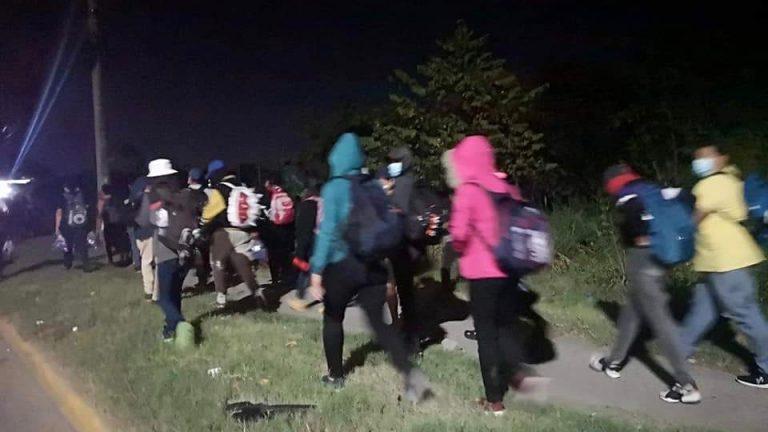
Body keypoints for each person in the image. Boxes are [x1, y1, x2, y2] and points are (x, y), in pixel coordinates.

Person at [308, 132, 431, 402]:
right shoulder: (373, 185)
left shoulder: (334, 188)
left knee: (333, 318)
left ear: (336, 159)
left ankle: (336, 376)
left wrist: (316, 271)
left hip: (341, 266)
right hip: (372, 264)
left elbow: (328, 231)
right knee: (380, 323)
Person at [590, 164, 701, 404]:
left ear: (613, 183)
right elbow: (689, 197)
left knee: (661, 323)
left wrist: (642, 239)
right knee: (632, 312)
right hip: (662, 259)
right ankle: (614, 361)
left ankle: (686, 384)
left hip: (644, 261)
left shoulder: (628, 196)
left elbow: (635, 225)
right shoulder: (652, 189)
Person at [446, 135, 529, 416]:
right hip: (509, 270)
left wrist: (460, 245)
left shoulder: (468, 191)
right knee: (506, 325)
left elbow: (457, 235)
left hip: (482, 274)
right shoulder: (508, 188)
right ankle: (519, 375)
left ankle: (494, 401)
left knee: (486, 335)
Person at [680, 144, 768, 388]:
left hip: (727, 261)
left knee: (746, 315)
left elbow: (694, 219)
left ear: (721, 158)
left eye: (706, 157)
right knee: (702, 311)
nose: (700, 161)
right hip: (718, 261)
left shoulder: (712, 184)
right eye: (697, 157)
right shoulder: (731, 178)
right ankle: (678, 352)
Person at [137, 159, 193, 341]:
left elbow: (145, 220)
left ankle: (180, 324)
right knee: (175, 292)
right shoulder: (182, 192)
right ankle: (170, 331)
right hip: (186, 248)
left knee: (163, 296)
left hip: (166, 248)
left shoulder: (154, 194)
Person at [200, 166, 262, 308]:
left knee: (218, 263)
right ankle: (257, 292)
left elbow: (209, 213)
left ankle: (221, 298)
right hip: (243, 232)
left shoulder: (219, 190)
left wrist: (202, 225)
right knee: (243, 264)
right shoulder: (243, 188)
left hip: (224, 233)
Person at [385, 147, 421, 352]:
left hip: (400, 246)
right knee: (404, 292)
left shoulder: (402, 185)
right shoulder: (412, 182)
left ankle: (410, 340)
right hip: (409, 247)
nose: (392, 164)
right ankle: (405, 331)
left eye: (395, 160)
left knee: (402, 293)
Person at [287, 178, 322, 311]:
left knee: (306, 270)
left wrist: (300, 252)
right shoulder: (326, 203)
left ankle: (300, 299)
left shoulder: (308, 205)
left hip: (314, 242)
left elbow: (305, 230)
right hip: (329, 240)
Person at [54, 178, 93, 272]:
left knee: (68, 244)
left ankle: (68, 262)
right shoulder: (81, 195)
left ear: (65, 187)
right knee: (82, 244)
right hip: (81, 223)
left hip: (66, 225)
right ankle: (86, 265)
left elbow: (59, 213)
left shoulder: (62, 197)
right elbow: (87, 208)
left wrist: (57, 227)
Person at [263, 176, 296, 287]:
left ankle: (275, 279)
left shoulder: (270, 195)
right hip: (288, 229)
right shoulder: (287, 193)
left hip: (274, 229)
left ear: (269, 184)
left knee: (273, 255)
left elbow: (268, 212)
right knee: (286, 254)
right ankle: (288, 277)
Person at [97, 183, 131, 266]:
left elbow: (99, 215)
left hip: (108, 224)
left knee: (108, 243)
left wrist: (98, 227)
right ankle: (124, 257)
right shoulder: (117, 198)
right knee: (121, 241)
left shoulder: (102, 201)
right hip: (119, 223)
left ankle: (110, 260)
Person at [187, 168, 210, 289]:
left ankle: (201, 282)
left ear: (190, 179)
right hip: (205, 226)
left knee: (195, 255)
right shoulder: (207, 193)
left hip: (190, 227)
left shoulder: (185, 193)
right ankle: (204, 278)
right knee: (203, 254)